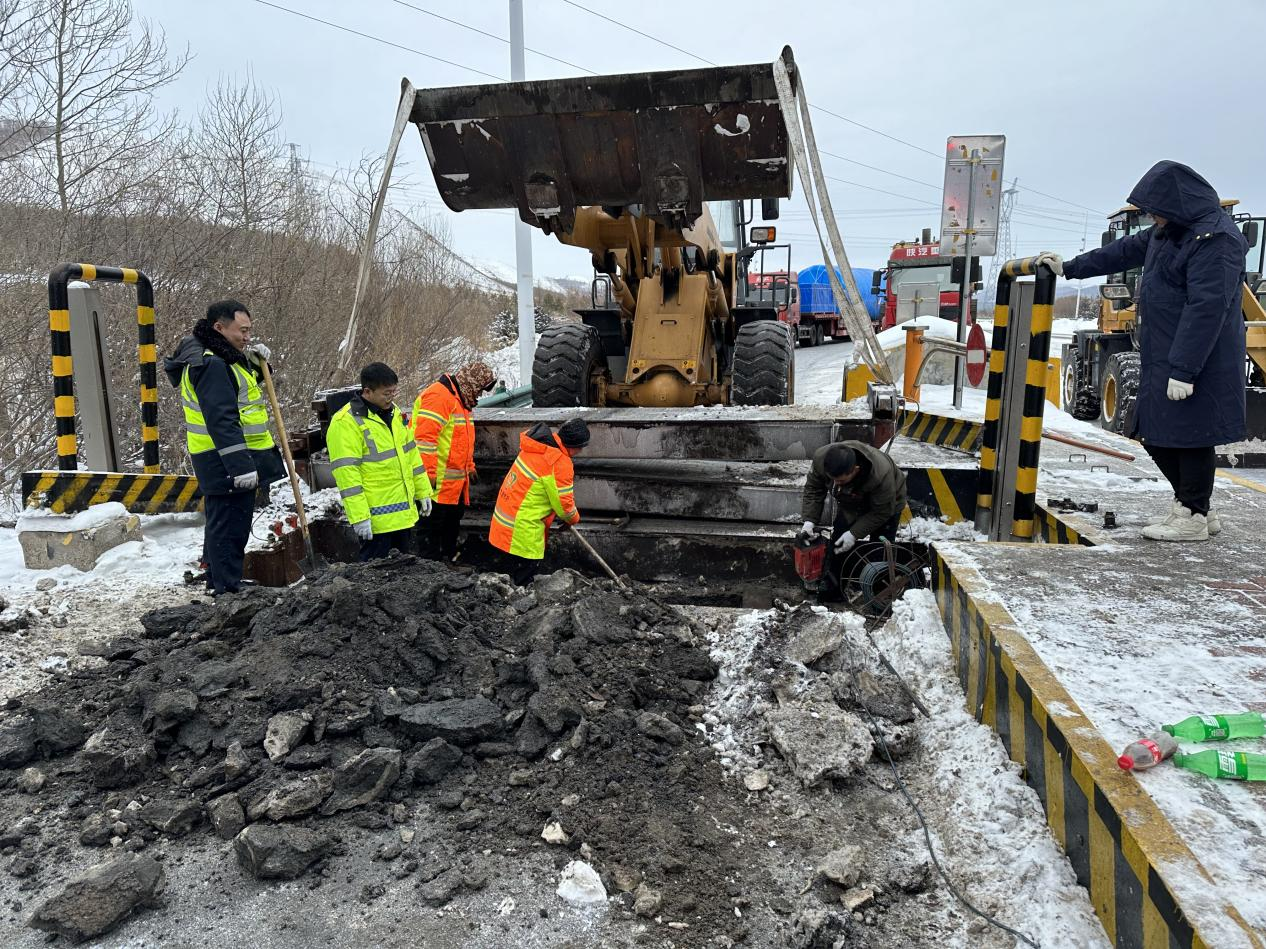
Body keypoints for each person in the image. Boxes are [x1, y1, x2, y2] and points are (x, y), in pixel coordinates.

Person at [1035, 161, 1248, 542]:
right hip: (1164, 350)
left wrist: (1184, 369)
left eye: (1156, 209)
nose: (1153, 217)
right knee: (1153, 429)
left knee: (1191, 433)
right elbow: (1118, 253)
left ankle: (1193, 514)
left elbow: (1208, 306)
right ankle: (1196, 506)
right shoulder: (1167, 233)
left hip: (1198, 357)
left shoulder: (1215, 239)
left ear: (1177, 203)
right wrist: (1069, 267)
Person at [164, 300, 282, 595]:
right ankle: (228, 586)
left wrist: (255, 365)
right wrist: (239, 465)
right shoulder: (212, 364)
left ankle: (220, 580)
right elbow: (222, 419)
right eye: (242, 331)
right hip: (224, 457)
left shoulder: (222, 356)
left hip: (225, 455)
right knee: (230, 523)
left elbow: (242, 390)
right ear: (219, 327)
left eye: (249, 331)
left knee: (223, 520)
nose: (247, 337)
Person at [327, 362, 435, 560]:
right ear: (367, 391)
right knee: (376, 580)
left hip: (404, 517)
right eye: (387, 393)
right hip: (376, 523)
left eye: (394, 393)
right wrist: (359, 517)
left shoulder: (393, 413)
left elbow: (411, 455)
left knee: (405, 574)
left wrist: (423, 491)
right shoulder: (345, 423)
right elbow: (347, 475)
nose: (391, 398)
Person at [488, 417, 589, 586]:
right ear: (574, 446)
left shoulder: (536, 447)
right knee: (524, 579)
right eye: (581, 447)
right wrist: (573, 519)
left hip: (504, 521)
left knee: (509, 575)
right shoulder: (559, 463)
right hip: (524, 529)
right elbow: (564, 506)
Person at [412, 361, 496, 562]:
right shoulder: (439, 397)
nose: (479, 395)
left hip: (454, 486)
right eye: (480, 389)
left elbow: (460, 441)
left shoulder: (462, 401)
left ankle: (446, 563)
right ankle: (429, 572)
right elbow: (424, 441)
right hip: (436, 485)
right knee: (431, 531)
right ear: (472, 383)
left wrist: (469, 466)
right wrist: (428, 476)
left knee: (449, 528)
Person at [798, 441, 907, 591]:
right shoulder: (821, 459)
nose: (836, 484)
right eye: (833, 479)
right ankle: (834, 589)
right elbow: (814, 489)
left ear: (855, 470)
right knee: (838, 544)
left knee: (879, 548)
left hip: (887, 503)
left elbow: (881, 512)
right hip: (851, 500)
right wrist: (809, 521)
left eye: (841, 480)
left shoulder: (881, 474)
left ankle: (877, 590)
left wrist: (854, 533)